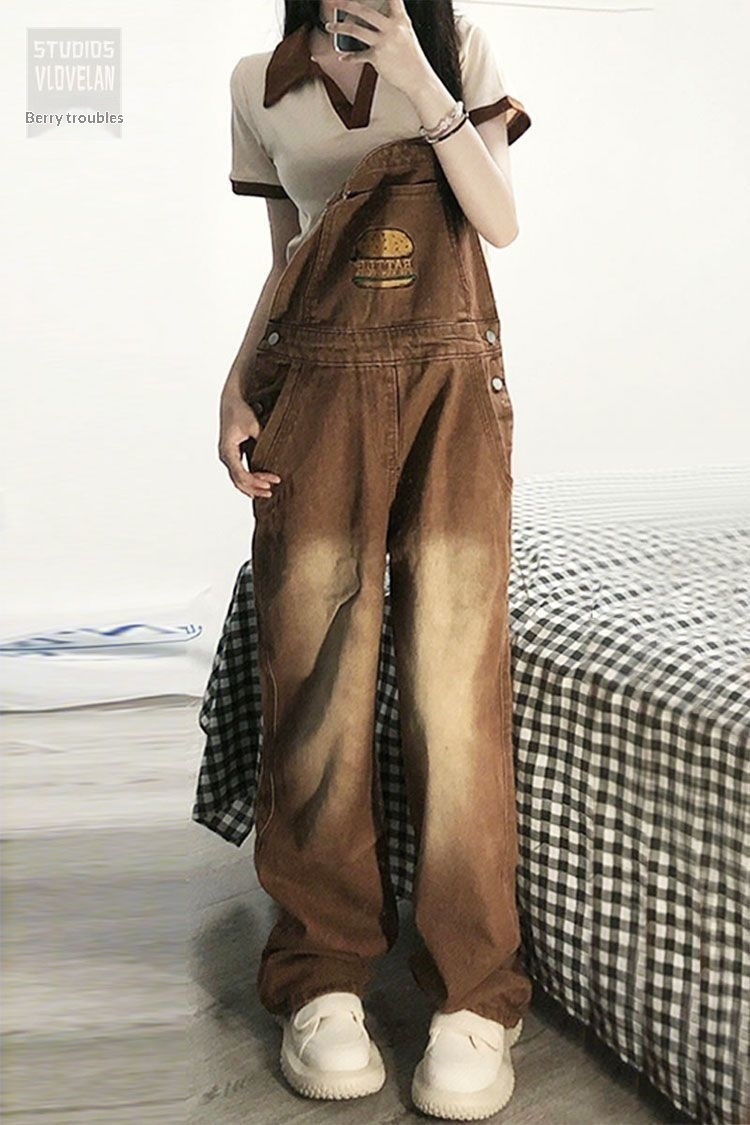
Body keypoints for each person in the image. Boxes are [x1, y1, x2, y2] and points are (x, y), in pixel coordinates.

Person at [216, 1, 533, 1118]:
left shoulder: (461, 51)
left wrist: (418, 74)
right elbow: (288, 263)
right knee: (316, 688)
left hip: (452, 394)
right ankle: (322, 977)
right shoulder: (260, 82)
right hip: (314, 391)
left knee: (456, 693)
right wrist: (236, 385)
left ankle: (475, 997)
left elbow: (500, 223)